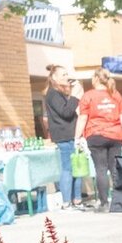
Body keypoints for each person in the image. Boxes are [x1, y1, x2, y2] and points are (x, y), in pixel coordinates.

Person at [76, 67, 122, 212]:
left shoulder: (88, 96)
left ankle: (104, 204)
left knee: (101, 169)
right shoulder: (115, 94)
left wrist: (77, 136)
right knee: (114, 168)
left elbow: (83, 117)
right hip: (115, 135)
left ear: (95, 78)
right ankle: (120, 201)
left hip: (96, 135)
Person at [43, 64, 84, 209]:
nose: (67, 77)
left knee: (77, 168)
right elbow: (65, 113)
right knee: (68, 168)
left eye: (67, 74)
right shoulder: (52, 94)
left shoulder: (60, 93)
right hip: (64, 136)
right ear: (54, 78)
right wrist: (75, 97)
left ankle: (77, 199)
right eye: (64, 75)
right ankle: (67, 201)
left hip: (72, 135)